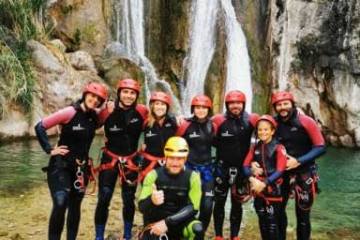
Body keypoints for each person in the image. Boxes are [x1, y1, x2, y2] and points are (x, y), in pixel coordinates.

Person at [34, 82, 108, 240]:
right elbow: (40, 126)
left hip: (81, 169)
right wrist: (49, 149)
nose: (94, 100)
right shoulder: (69, 112)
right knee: (60, 202)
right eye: (92, 96)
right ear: (85, 94)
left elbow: (107, 115)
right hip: (61, 165)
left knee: (75, 207)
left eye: (98, 99)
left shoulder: (93, 118)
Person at [94, 79, 148, 240]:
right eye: (125, 92)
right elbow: (89, 123)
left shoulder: (142, 111)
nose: (128, 96)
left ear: (136, 96)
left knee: (129, 199)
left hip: (131, 160)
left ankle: (126, 235)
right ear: (119, 93)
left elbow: (156, 124)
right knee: (104, 197)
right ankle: (98, 237)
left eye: (132, 93)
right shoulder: (107, 111)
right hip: (109, 159)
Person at [270, 91, 326, 240]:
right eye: (279, 105)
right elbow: (264, 145)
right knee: (278, 211)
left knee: (303, 214)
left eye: (285, 104)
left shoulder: (306, 121)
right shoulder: (273, 124)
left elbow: (320, 147)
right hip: (281, 173)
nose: (282, 107)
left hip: (304, 172)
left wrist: (299, 161)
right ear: (275, 107)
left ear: (292, 104)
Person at [212, 90, 259, 240]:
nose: (235, 106)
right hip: (222, 167)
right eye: (232, 103)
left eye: (238, 103)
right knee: (219, 202)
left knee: (237, 203)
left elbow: (269, 131)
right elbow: (200, 128)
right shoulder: (218, 120)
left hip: (242, 169)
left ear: (243, 104)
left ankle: (234, 236)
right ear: (227, 105)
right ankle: (218, 235)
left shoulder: (251, 119)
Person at [138, 136, 203, 240]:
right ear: (165, 157)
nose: (175, 163)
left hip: (181, 222)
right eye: (172, 158)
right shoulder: (153, 175)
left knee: (197, 229)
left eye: (179, 159)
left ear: (185, 159)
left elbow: (194, 208)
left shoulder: (193, 177)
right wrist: (152, 200)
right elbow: (141, 207)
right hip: (156, 223)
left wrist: (167, 222)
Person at [176, 95, 216, 237]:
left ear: (209, 109)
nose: (201, 110)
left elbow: (223, 145)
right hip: (189, 168)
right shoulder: (185, 125)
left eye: (204, 108)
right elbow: (174, 143)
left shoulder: (213, 125)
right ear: (193, 109)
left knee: (207, 204)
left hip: (207, 169)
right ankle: (184, 230)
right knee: (187, 202)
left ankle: (200, 233)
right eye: (198, 107)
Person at [243, 115, 287, 240]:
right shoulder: (255, 147)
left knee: (272, 223)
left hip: (273, 190)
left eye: (266, 129)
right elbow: (245, 166)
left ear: (272, 131)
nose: (262, 132)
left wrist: (265, 183)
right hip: (258, 190)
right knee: (262, 221)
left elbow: (280, 170)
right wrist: (252, 179)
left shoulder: (279, 148)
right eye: (260, 130)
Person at [138, 91, 178, 183]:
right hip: (150, 164)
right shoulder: (146, 123)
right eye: (157, 104)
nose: (160, 107)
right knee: (148, 193)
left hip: (169, 164)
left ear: (167, 107)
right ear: (152, 106)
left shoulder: (174, 122)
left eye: (163, 104)